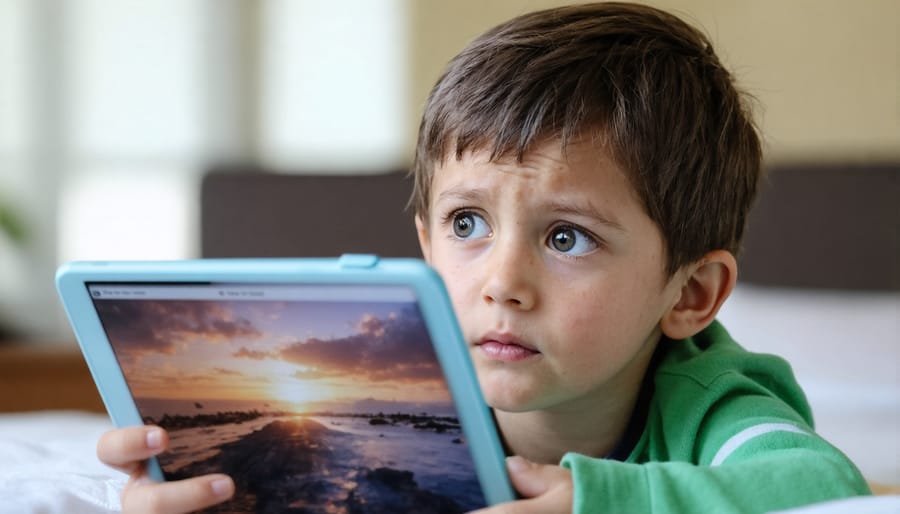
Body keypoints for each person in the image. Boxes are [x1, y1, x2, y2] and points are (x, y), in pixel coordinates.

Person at [96, 2, 871, 513]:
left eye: (567, 237)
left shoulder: (712, 404)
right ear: (426, 246)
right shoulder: (392, 391)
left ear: (690, 295)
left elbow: (826, 487)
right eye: (467, 224)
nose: (502, 284)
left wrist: (598, 501)